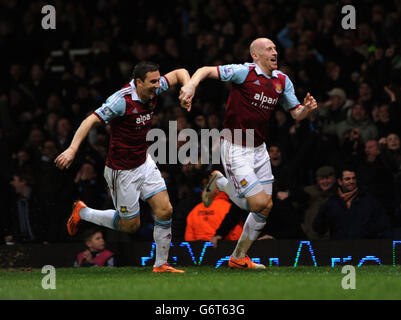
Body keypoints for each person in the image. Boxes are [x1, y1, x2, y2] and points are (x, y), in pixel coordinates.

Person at [179, 37, 318, 269]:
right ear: (255, 55)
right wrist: (192, 85)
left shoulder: (282, 81)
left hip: (259, 149)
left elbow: (296, 113)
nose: (275, 52)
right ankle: (222, 184)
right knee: (256, 203)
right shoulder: (243, 72)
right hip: (235, 148)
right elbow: (205, 70)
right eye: (269, 49)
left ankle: (238, 257)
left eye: (275, 48)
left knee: (266, 207)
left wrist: (307, 110)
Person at [55, 61, 191, 273]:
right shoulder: (121, 101)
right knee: (130, 226)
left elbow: (180, 72)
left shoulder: (155, 87)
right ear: (138, 82)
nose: (158, 85)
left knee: (165, 210)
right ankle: (83, 212)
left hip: (143, 162)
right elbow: (89, 120)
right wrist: (72, 149)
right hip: (122, 171)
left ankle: (161, 265)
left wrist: (188, 87)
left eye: (158, 80)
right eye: (153, 82)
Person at [312, 167, 390, 240]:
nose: (351, 182)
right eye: (347, 179)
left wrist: (367, 233)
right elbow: (319, 228)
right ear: (340, 181)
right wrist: (322, 214)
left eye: (354, 178)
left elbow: (383, 223)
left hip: (364, 247)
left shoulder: (369, 201)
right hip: (339, 249)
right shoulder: (331, 203)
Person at [302, 166, 337, 240]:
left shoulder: (339, 194)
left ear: (334, 179)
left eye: (327, 178)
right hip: (310, 237)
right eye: (322, 179)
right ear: (317, 180)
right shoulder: (308, 192)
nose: (325, 181)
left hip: (332, 238)